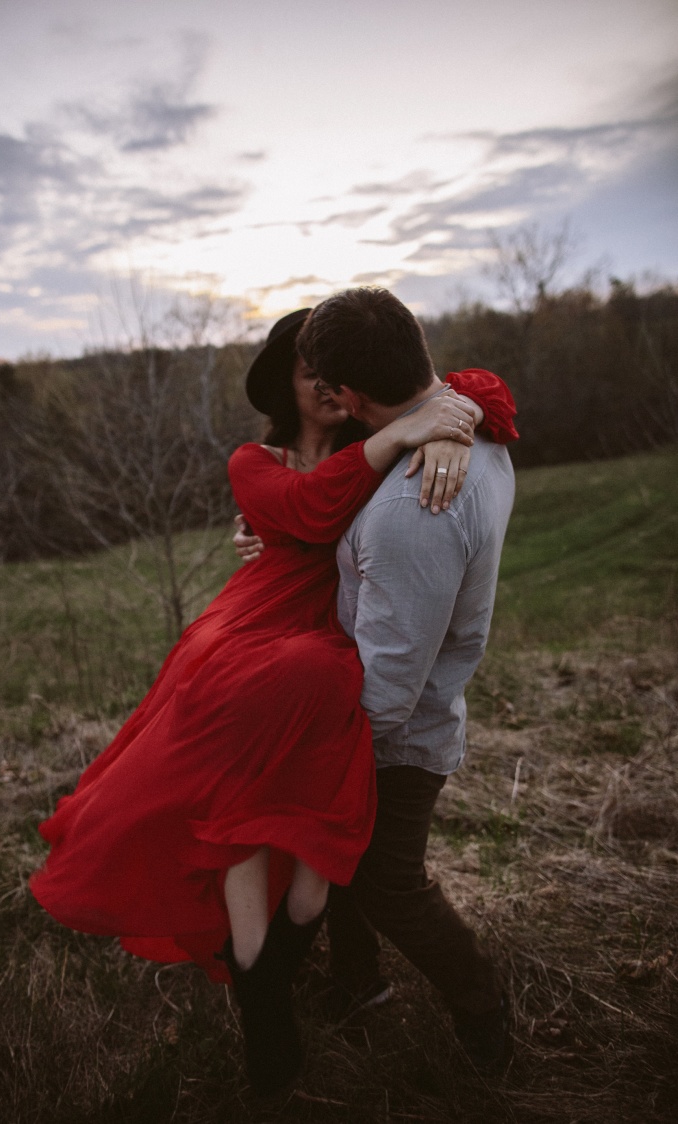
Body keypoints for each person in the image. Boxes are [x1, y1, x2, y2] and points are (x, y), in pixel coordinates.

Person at [30, 306, 516, 1097]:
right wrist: (409, 432)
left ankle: (298, 980)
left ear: (356, 389)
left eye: (332, 376)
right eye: (306, 373)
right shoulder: (258, 460)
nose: (323, 387)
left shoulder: (388, 449)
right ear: (285, 389)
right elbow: (312, 509)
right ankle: (271, 1001)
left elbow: (451, 395)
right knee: (252, 815)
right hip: (257, 648)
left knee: (337, 845)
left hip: (325, 660)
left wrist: (445, 419)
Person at [296, 288, 517, 1073]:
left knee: (388, 882)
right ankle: (358, 984)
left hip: (398, 736)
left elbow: (389, 683)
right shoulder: (469, 431)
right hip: (405, 716)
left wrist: (318, 748)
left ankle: (484, 1011)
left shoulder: (413, 507)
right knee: (346, 864)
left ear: (350, 395)